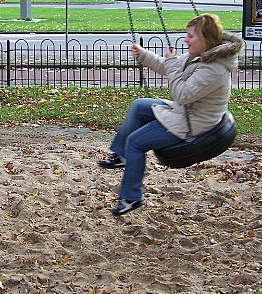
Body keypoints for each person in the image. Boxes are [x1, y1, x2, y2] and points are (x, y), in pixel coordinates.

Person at [98, 13, 244, 217]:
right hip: (184, 112)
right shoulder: (200, 56)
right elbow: (168, 65)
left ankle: (131, 197)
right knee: (139, 105)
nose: (185, 40)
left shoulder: (215, 69)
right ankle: (122, 155)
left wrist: (172, 63)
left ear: (205, 38)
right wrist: (143, 55)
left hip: (193, 123)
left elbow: (182, 95)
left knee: (135, 142)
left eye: (190, 36)